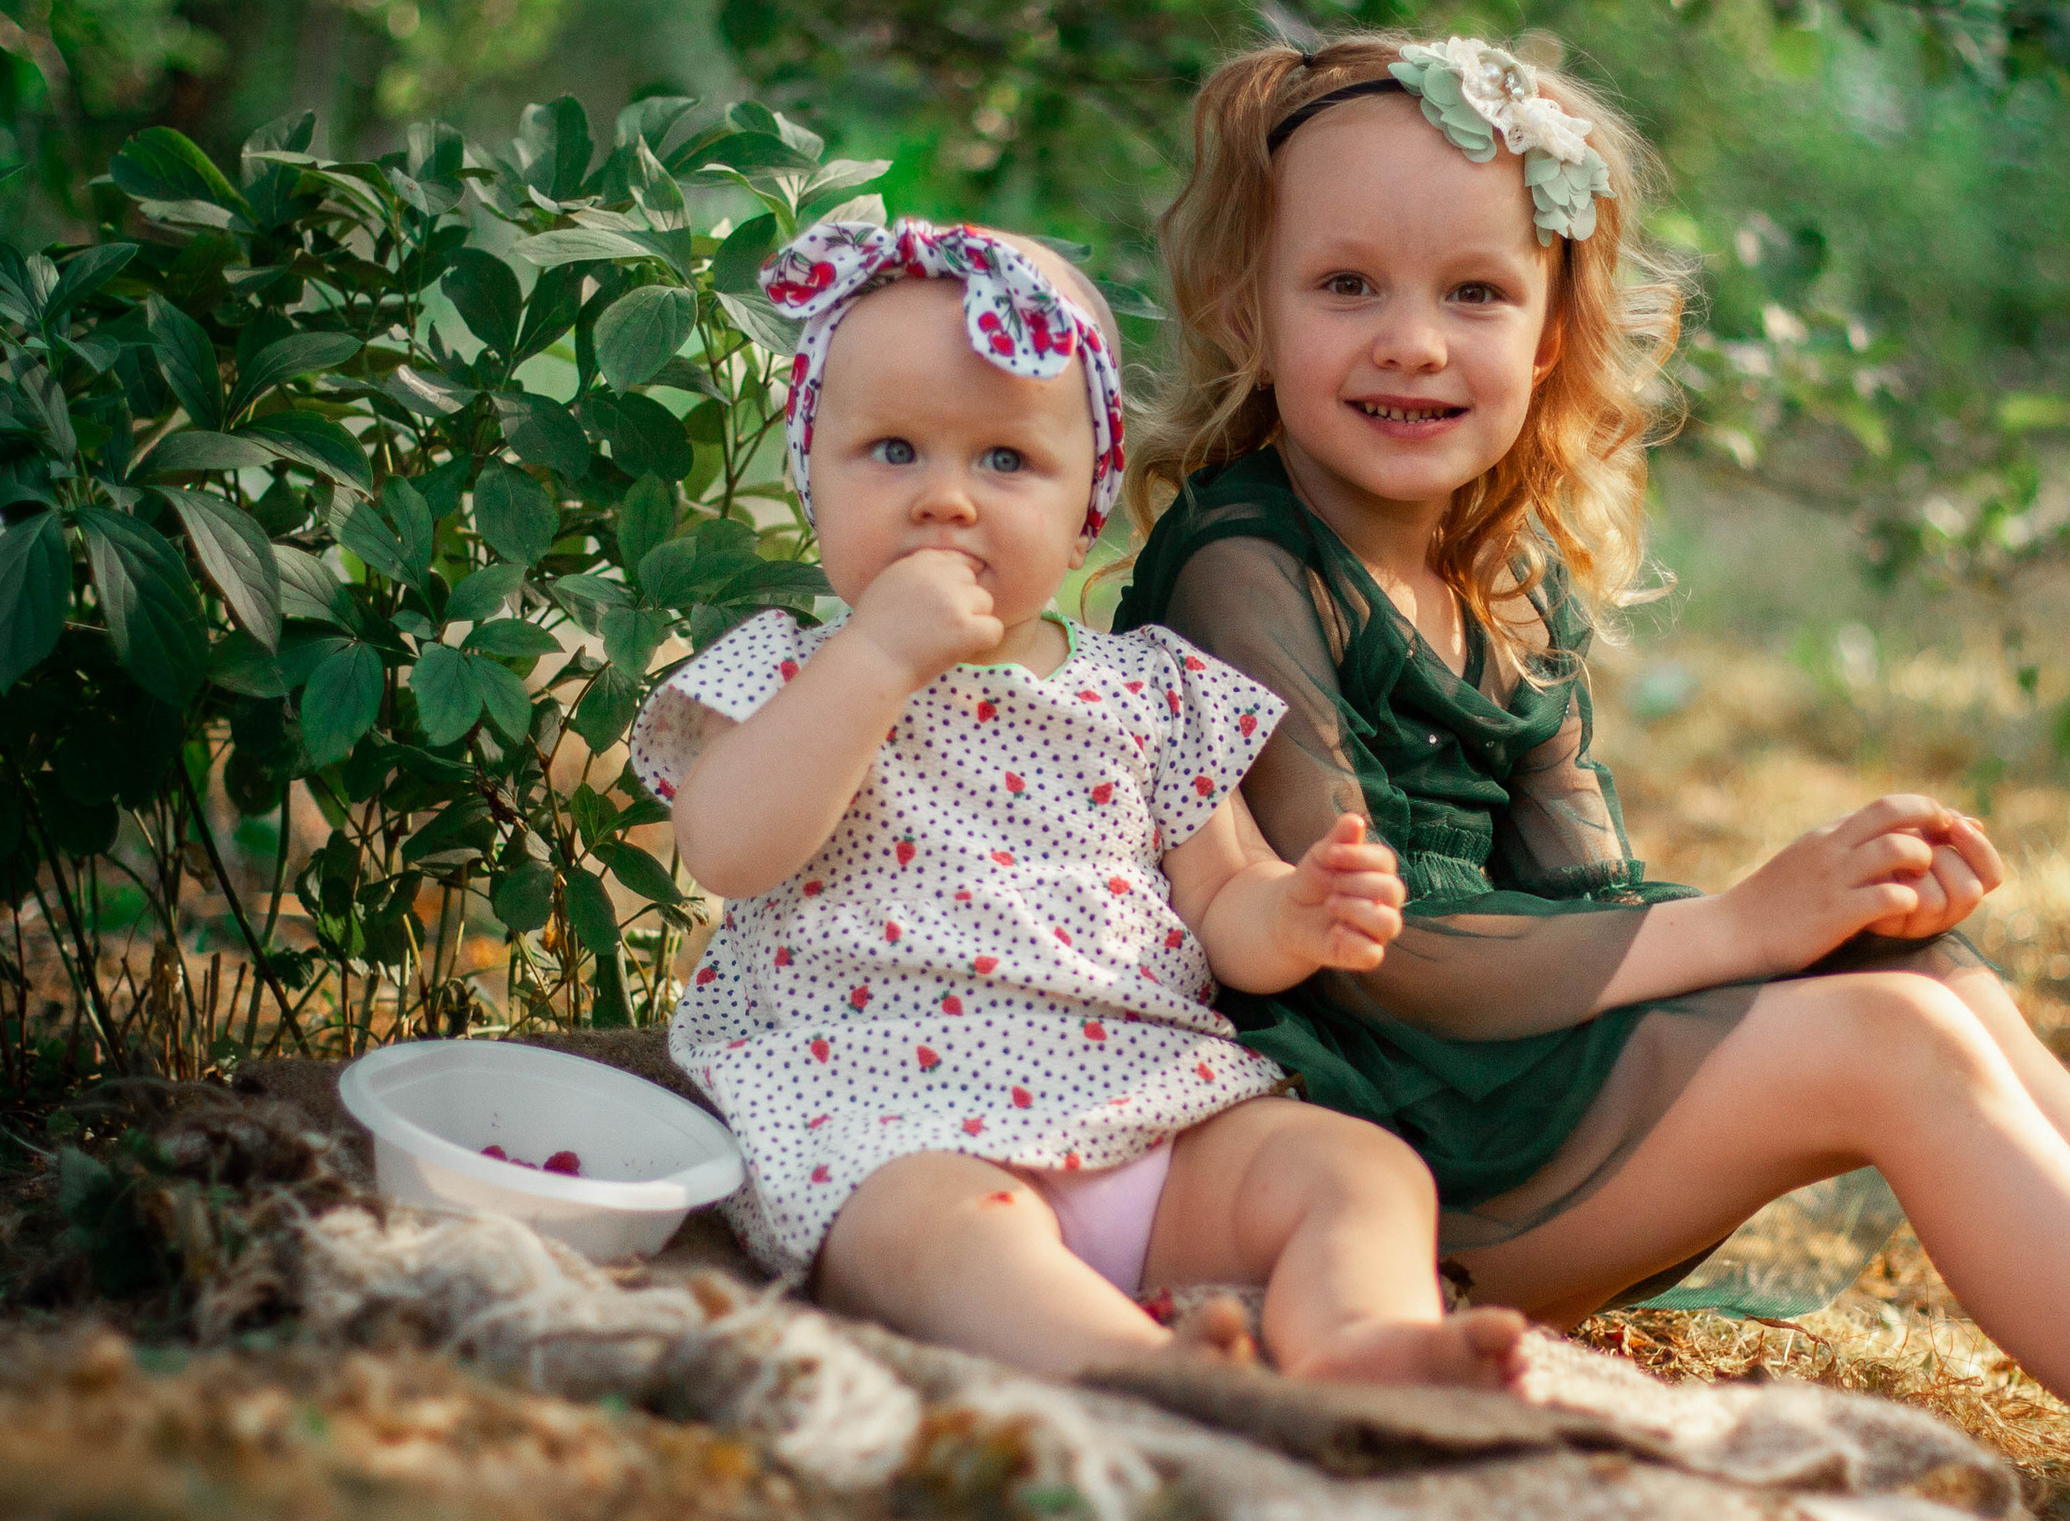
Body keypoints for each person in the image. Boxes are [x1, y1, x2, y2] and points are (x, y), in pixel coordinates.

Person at [1113, 29, 2070, 1521]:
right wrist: (1742, 930)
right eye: (1346, 287)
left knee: (1929, 983)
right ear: (1251, 307)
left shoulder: (1492, 582)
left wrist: (1825, 928)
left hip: (1493, 1098)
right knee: (1889, 1047)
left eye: (1476, 294)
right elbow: (1382, 953)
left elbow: (1586, 898)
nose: (1412, 344)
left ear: (1559, 331)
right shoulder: (1245, 571)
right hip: (1368, 1149)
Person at [629, 213, 1528, 1390]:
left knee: (1358, 1172)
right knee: (932, 1238)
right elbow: (728, 849)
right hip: (896, 1121)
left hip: (1146, 1112)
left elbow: (1222, 899)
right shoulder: (792, 673)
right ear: (813, 469)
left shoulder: (1146, 689)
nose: (946, 500)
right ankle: (1141, 1369)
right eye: (893, 451)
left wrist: (1295, 912)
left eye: (1004, 462)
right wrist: (877, 661)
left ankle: (1361, 1341)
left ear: (1084, 503)